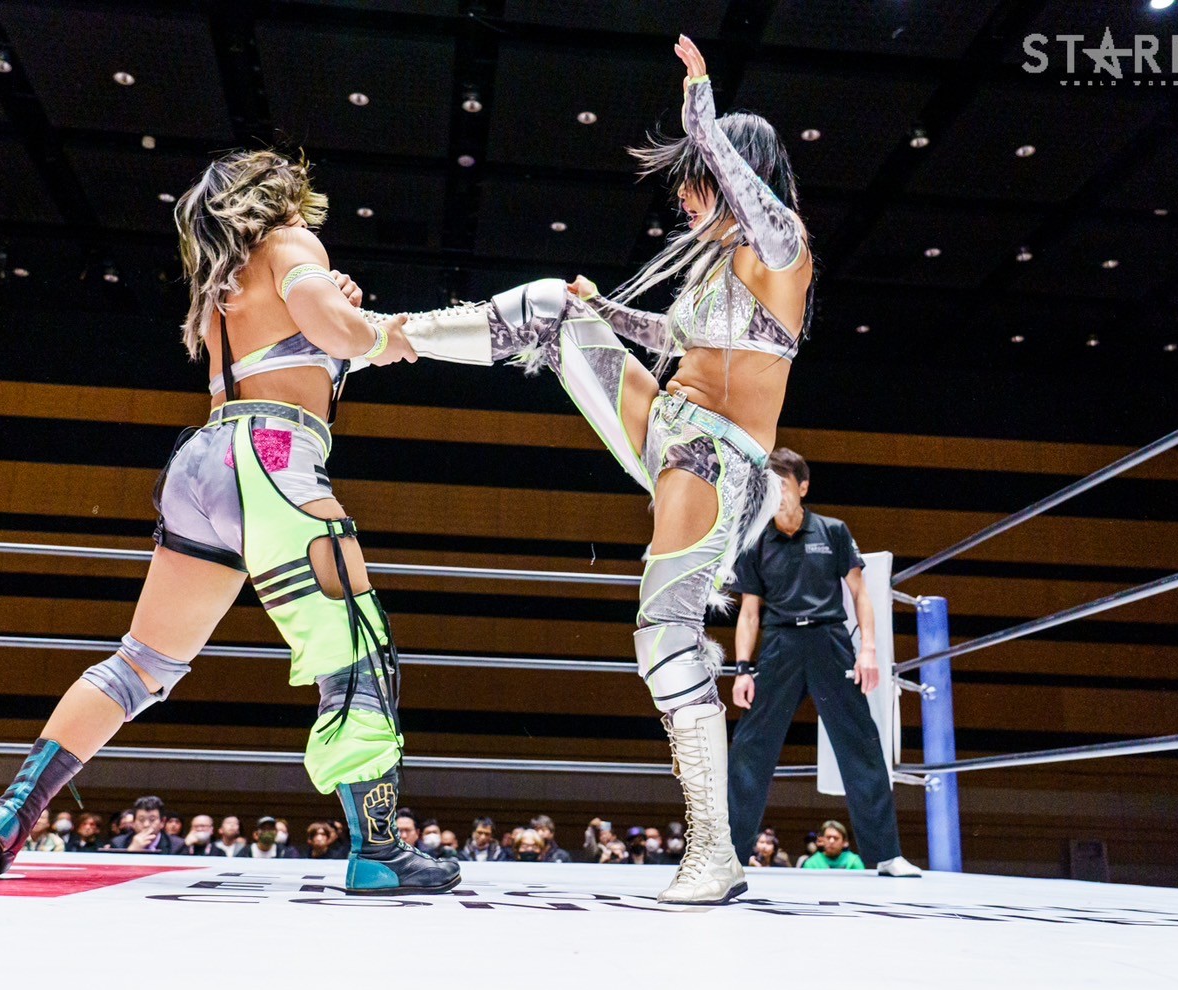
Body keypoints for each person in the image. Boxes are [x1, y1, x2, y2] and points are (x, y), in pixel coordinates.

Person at [0, 149, 457, 896]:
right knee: (355, 646)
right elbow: (348, 338)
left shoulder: (224, 282)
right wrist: (407, 331)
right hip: (273, 456)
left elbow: (316, 344)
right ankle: (378, 847)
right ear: (282, 196)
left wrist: (351, 321)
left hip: (202, 464)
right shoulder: (292, 244)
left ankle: (9, 813)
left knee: (141, 663)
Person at [388, 37, 807, 905]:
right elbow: (671, 341)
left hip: (711, 458)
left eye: (695, 181)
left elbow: (747, 199)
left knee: (665, 634)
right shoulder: (717, 271)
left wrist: (701, 110)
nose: (684, 199)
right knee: (550, 304)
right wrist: (601, 311)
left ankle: (714, 851)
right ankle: (391, 338)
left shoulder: (782, 249)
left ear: (730, 172)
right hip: (667, 424)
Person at [726, 449, 920, 877]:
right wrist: (742, 669)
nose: (776, 493)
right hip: (779, 645)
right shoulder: (755, 539)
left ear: (803, 487)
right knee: (749, 747)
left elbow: (861, 594)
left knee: (860, 743)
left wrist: (868, 650)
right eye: (768, 485)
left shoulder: (832, 531)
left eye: (782, 484)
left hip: (829, 642)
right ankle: (731, 854)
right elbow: (749, 612)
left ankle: (886, 854)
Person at [104, 796, 187, 855]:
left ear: (162, 822)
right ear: (133, 823)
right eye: (141, 820)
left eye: (152, 820)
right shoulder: (118, 844)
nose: (146, 825)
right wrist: (131, 852)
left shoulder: (178, 846)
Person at [801, 820, 866, 871]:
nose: (831, 841)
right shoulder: (811, 863)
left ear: (844, 843)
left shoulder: (853, 862)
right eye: (828, 837)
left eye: (836, 838)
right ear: (822, 841)